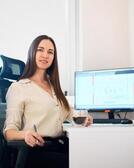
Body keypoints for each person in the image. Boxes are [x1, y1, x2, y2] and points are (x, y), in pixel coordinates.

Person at [3, 35, 93, 168]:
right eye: (40, 50)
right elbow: (9, 132)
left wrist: (84, 118)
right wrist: (26, 134)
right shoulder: (19, 88)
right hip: (36, 151)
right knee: (83, 162)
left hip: (59, 145)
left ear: (53, 58)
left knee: (91, 154)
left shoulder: (53, 86)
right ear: (32, 53)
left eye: (50, 52)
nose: (45, 55)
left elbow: (70, 113)